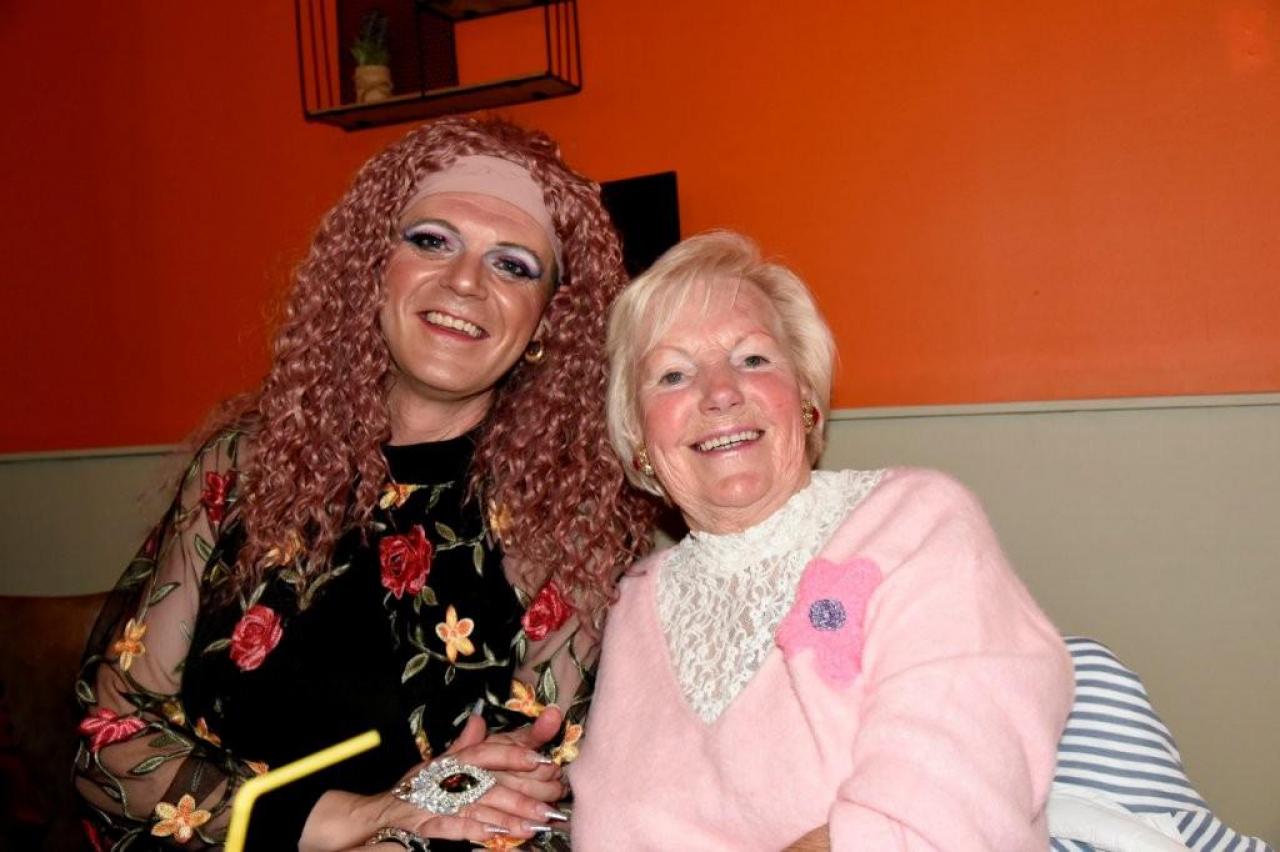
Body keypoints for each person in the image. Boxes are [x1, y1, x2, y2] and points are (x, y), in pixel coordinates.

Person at [73, 117, 657, 852]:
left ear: (547, 323)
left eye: (513, 265)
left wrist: (394, 834)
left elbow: (529, 798)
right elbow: (112, 741)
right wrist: (348, 817)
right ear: (373, 273)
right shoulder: (242, 464)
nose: (466, 281)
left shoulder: (571, 517)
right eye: (432, 241)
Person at [571, 231, 1074, 849]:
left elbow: (946, 805)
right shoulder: (633, 602)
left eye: (753, 360)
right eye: (673, 375)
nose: (721, 392)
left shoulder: (916, 523)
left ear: (805, 396)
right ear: (639, 440)